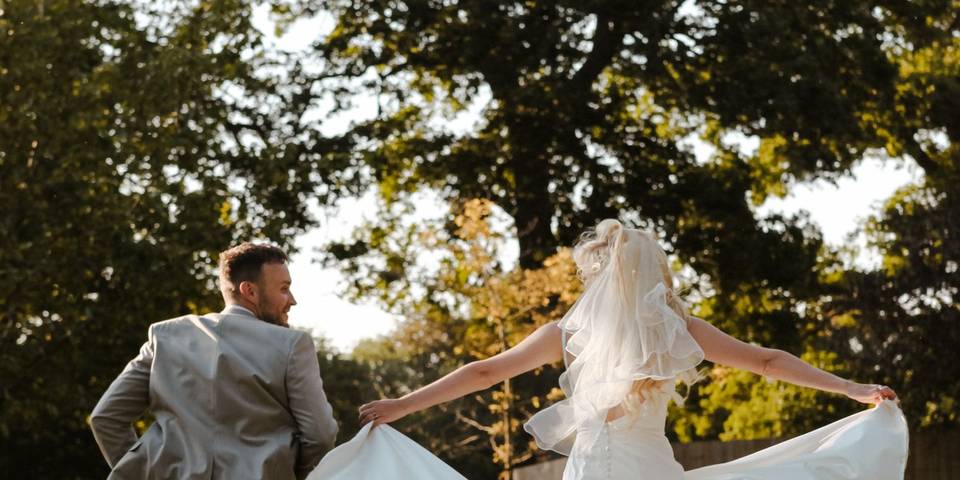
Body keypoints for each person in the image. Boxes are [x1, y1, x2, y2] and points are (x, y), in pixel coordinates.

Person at [347, 220, 905, 480]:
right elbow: (767, 360)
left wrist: (401, 405)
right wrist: (850, 388)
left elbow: (485, 371)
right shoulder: (679, 330)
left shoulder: (565, 336)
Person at [90, 242, 338, 480]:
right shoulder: (293, 345)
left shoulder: (165, 337)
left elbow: (106, 417)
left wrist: (143, 473)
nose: (292, 300)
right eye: (284, 288)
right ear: (249, 291)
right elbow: (321, 435)